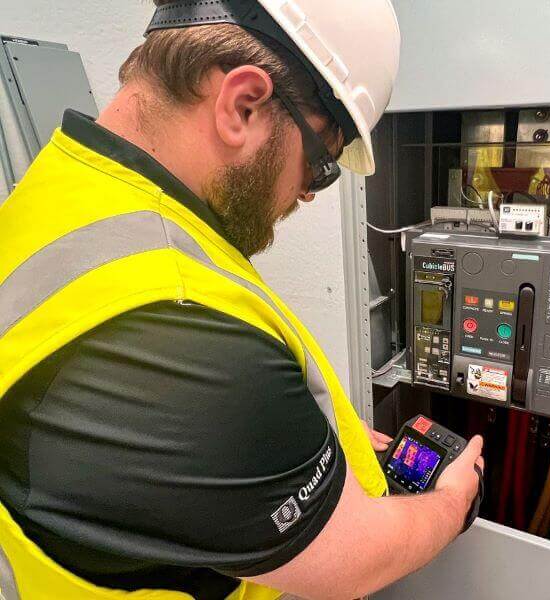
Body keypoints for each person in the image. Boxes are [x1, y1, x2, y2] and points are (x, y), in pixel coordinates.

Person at [0, 1, 484, 599]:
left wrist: (317, 434)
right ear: (242, 104)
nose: (309, 192)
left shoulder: (61, 188)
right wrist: (451, 503)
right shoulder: (180, 330)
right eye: (323, 163)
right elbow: (350, 559)